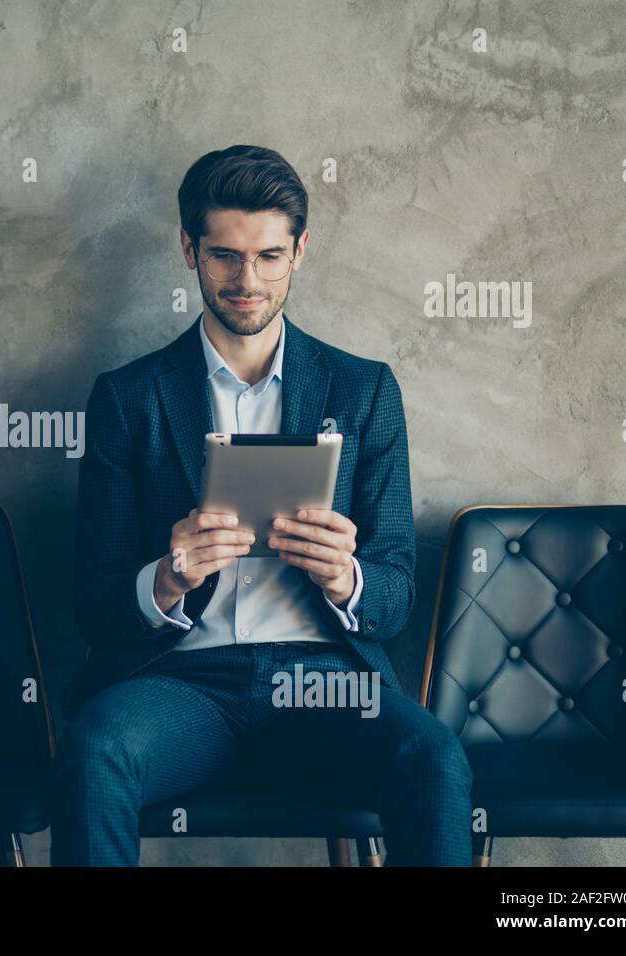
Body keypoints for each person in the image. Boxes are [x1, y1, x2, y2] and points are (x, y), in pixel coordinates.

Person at [49, 145, 473, 866]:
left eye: (270, 256)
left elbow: (396, 590)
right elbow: (93, 601)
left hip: (322, 679)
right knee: (93, 751)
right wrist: (166, 579)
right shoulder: (129, 399)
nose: (248, 281)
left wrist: (348, 579)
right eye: (224, 256)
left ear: (300, 251)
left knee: (434, 759)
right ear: (189, 248)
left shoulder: (364, 390)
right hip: (180, 683)